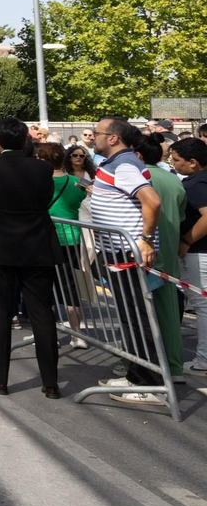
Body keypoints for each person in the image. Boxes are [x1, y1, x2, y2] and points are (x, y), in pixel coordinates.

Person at [0, 118, 61, 397]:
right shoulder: (43, 169)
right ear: (25, 139)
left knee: (0, 312)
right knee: (41, 313)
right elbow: (44, 201)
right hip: (36, 246)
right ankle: (51, 383)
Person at [88, 116, 166, 404]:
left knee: (136, 317)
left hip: (127, 252)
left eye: (96, 133)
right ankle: (137, 374)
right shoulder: (116, 164)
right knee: (129, 316)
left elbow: (153, 201)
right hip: (119, 251)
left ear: (113, 138)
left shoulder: (123, 164)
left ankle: (150, 383)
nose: (92, 137)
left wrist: (145, 239)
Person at [136, 134, 188, 386]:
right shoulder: (174, 180)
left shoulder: (137, 179)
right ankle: (175, 367)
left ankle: (134, 365)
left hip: (142, 252)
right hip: (168, 253)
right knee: (168, 312)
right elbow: (179, 214)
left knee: (135, 313)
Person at [37, 142, 90, 345]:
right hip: (72, 239)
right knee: (71, 288)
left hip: (44, 240)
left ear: (42, 161)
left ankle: (47, 334)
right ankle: (78, 335)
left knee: (45, 288)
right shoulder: (78, 182)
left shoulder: (38, 183)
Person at [167, 137, 207, 374]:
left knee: (202, 306)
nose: (174, 165)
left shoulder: (195, 184)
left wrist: (186, 240)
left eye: (177, 160)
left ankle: (203, 359)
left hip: (199, 253)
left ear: (193, 162)